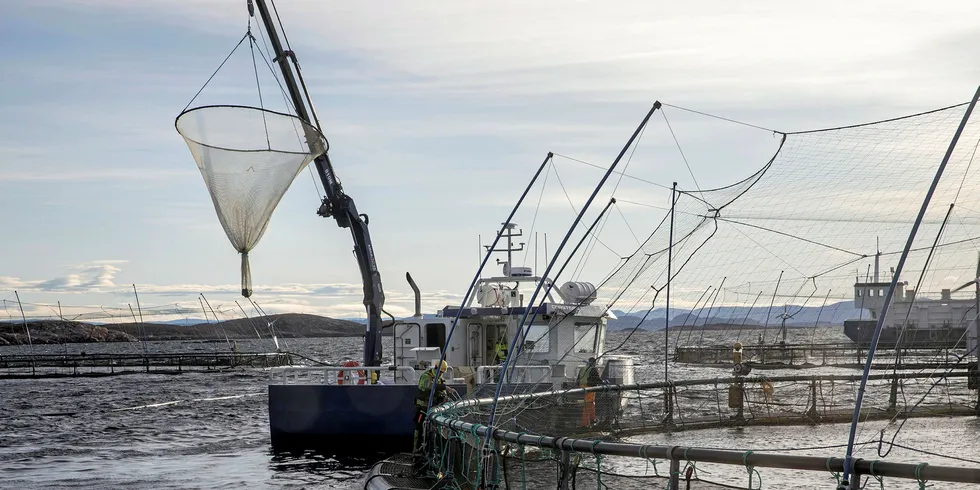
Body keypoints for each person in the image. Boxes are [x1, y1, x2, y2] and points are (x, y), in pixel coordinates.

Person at [412, 360, 456, 474]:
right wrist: (444, 387)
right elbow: (428, 386)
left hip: (433, 410)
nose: (441, 374)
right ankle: (416, 451)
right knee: (419, 428)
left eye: (442, 372)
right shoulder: (426, 376)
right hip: (423, 408)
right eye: (440, 372)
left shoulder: (440, 379)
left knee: (433, 432)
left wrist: (445, 397)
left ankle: (431, 453)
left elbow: (441, 391)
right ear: (435, 368)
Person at [578, 357, 602, 427]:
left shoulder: (583, 368)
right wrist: (603, 383)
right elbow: (597, 379)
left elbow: (578, 378)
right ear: (594, 362)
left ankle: (592, 419)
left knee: (591, 403)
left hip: (582, 388)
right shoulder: (593, 369)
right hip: (589, 389)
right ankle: (585, 424)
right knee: (588, 405)